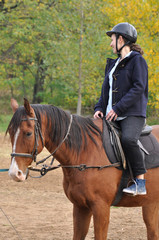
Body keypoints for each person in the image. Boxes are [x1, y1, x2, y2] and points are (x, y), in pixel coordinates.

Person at [94, 22, 148, 196]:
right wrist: (99, 108)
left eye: (112, 39)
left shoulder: (137, 61)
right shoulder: (112, 64)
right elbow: (105, 91)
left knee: (128, 140)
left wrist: (118, 108)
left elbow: (138, 88)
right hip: (111, 114)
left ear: (122, 39)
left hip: (132, 114)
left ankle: (140, 182)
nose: (110, 44)